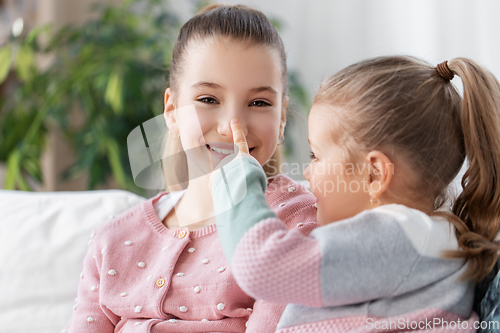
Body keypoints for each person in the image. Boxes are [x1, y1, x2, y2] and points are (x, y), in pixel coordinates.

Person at [64, 4, 318, 333]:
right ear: (171, 110)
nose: (231, 126)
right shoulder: (111, 241)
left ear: (281, 118)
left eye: (259, 103)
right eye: (208, 99)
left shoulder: (295, 222)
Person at [211, 56, 500, 332]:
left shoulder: (395, 239)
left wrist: (236, 177)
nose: (307, 174)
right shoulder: (429, 239)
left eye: (316, 156)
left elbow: (262, 266)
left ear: (374, 174)